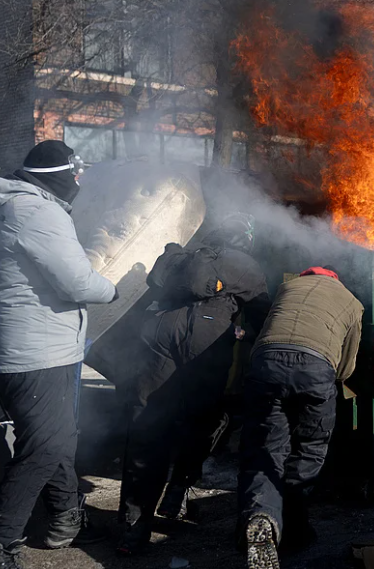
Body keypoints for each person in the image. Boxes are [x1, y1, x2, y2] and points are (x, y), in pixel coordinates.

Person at [0, 141, 117, 569]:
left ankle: (64, 518)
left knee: (58, 437)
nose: (78, 182)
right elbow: (76, 282)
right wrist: (112, 287)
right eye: (76, 173)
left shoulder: (1, 208)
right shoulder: (38, 211)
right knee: (44, 446)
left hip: (16, 348)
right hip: (39, 354)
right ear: (61, 173)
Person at [117, 213, 271, 555]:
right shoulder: (245, 266)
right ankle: (179, 488)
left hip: (157, 343)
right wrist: (243, 336)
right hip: (206, 348)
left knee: (148, 430)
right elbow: (264, 316)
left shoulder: (183, 257)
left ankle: (132, 528)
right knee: (208, 420)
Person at [239, 266, 363, 569]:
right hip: (315, 369)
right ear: (335, 279)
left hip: (265, 364)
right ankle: (295, 531)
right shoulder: (351, 301)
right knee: (309, 448)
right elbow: (346, 368)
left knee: (266, 450)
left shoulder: (287, 288)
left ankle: (263, 517)